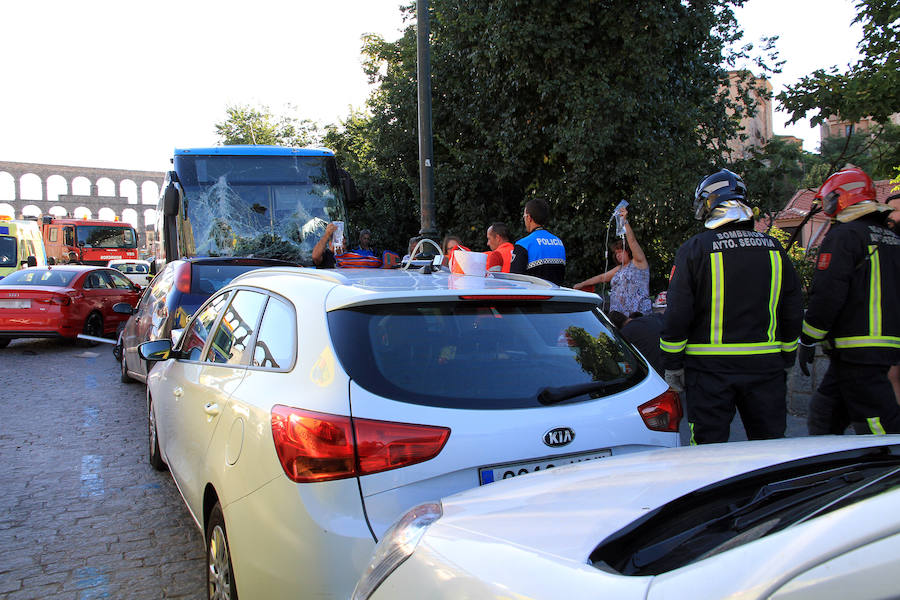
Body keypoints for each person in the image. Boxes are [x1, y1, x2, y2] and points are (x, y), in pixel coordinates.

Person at [660, 169, 802, 444]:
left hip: (709, 371)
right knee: (771, 447)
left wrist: (673, 365)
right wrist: (786, 358)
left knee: (707, 449)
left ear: (708, 203)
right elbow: (792, 310)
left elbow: (677, 314)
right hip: (765, 368)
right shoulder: (774, 249)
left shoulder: (695, 249)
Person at [798, 167, 900, 435]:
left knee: (878, 424)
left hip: (859, 348)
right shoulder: (890, 237)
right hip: (875, 346)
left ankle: (887, 468)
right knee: (825, 415)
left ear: (843, 197)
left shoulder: (844, 236)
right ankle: (827, 472)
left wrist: (808, 338)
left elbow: (827, 294)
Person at [574, 206, 651, 314]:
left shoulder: (638, 262)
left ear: (628, 251)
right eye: (616, 253)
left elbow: (632, 241)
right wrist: (581, 284)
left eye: (620, 251)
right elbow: (601, 278)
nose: (618, 255)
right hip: (619, 317)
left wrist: (625, 221)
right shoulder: (619, 269)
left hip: (637, 315)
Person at [510, 198, 566, 285]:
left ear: (529, 218)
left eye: (524, 217)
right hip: (556, 296)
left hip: (533, 297)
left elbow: (515, 281)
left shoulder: (523, 244)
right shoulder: (559, 243)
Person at [609, 310, 665, 376]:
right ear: (625, 316)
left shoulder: (622, 336)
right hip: (675, 362)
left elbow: (625, 368)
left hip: (660, 374)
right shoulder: (654, 317)